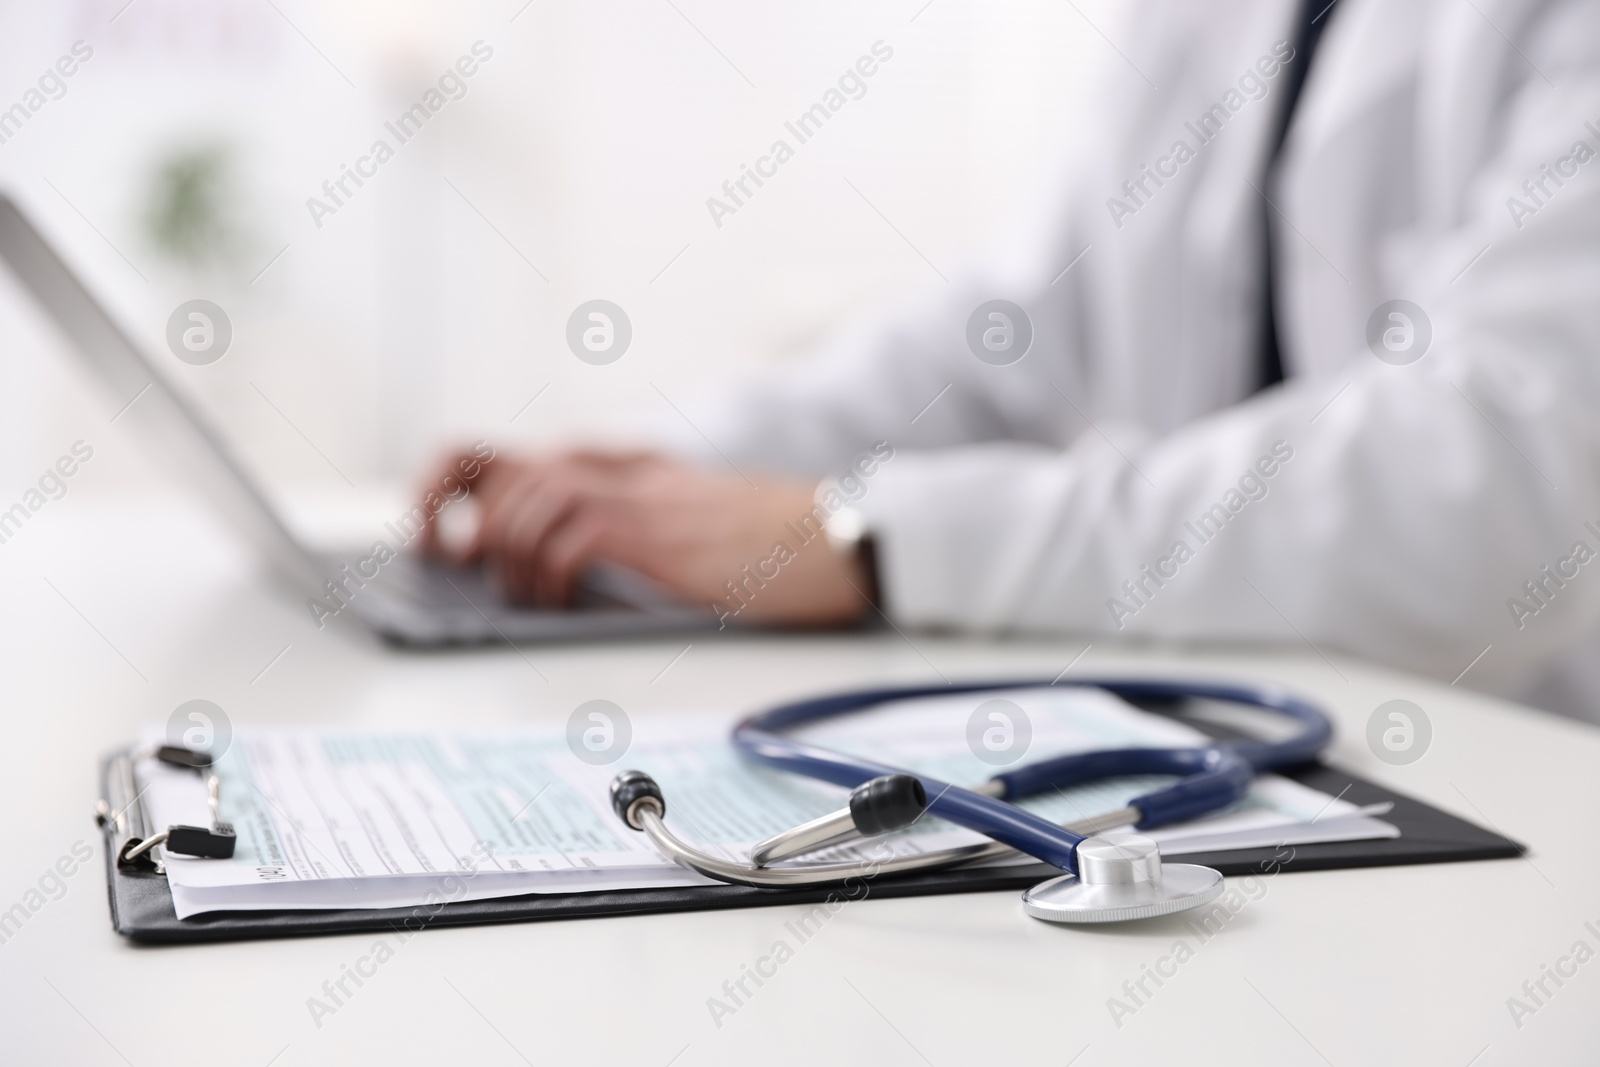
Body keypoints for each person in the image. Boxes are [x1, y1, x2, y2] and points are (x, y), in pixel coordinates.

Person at [419, 0, 1600, 721]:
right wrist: (654, 481)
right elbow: (1003, 340)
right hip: (1231, 731)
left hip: (1517, 774)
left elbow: (1482, 489)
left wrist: (869, 540)